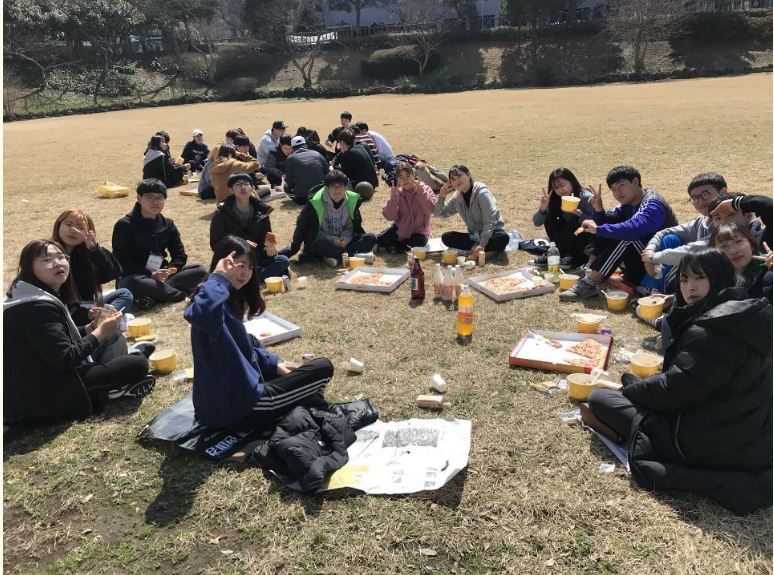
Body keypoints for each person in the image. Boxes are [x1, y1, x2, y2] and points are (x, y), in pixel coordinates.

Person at [588, 248, 772, 514]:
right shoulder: (746, 313)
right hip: (749, 436)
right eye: (684, 279)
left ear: (720, 277)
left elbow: (677, 391)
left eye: (699, 278)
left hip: (710, 442)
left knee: (600, 397)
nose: (690, 287)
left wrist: (632, 391)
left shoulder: (712, 329)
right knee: (636, 386)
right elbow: (696, 379)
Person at [185, 235, 334, 429]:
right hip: (240, 409)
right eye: (240, 265)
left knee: (251, 340)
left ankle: (280, 377)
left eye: (250, 267)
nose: (245, 273)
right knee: (323, 367)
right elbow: (199, 314)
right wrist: (218, 277)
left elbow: (242, 346)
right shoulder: (210, 301)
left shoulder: (221, 297)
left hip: (218, 405)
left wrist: (274, 366)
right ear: (222, 265)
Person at [4, 240, 156, 424]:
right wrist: (99, 333)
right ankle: (112, 384)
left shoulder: (32, 293)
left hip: (46, 376)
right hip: (44, 395)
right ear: (29, 268)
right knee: (138, 364)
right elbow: (65, 358)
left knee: (113, 335)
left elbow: (57, 340)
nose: (58, 263)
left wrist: (89, 329)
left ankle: (115, 378)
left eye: (61, 257)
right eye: (46, 260)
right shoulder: (35, 307)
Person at [560, 165, 678, 301]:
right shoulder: (627, 204)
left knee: (626, 236)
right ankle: (591, 271)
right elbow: (609, 221)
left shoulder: (652, 204)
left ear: (635, 181)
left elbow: (634, 228)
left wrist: (599, 228)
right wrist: (599, 211)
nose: (617, 192)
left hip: (659, 270)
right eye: (613, 189)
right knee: (609, 226)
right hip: (643, 264)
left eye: (621, 185)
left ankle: (590, 282)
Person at [112, 179, 208, 309]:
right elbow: (121, 262)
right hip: (135, 277)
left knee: (200, 270)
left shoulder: (167, 224)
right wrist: (150, 275)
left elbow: (180, 255)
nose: (155, 202)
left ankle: (154, 295)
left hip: (163, 277)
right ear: (139, 198)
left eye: (159, 198)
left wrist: (169, 271)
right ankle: (180, 294)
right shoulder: (125, 225)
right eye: (149, 197)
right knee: (135, 282)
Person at [641, 172, 727, 293]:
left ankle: (664, 294)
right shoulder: (703, 221)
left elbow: (697, 250)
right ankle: (651, 289)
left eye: (705, 194)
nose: (700, 201)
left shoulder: (730, 221)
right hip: (701, 272)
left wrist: (653, 257)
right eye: (695, 198)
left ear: (723, 192)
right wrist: (650, 250)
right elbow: (664, 233)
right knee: (670, 239)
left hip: (719, 278)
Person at [279, 170, 377, 266]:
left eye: (341, 186)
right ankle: (348, 255)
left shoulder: (351, 201)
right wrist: (332, 239)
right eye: (334, 187)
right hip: (324, 241)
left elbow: (350, 227)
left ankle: (336, 257)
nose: (337, 190)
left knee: (370, 237)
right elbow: (305, 228)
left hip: (343, 242)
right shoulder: (315, 202)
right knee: (318, 245)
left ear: (346, 187)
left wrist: (344, 239)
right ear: (326, 188)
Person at [52, 209, 133, 325]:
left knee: (124, 294)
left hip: (92, 305)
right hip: (67, 308)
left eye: (80, 227)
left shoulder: (89, 252)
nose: (73, 230)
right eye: (69, 224)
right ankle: (102, 322)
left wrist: (95, 250)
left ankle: (102, 320)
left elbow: (114, 273)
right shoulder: (48, 253)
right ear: (58, 225)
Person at [209, 172, 290, 281]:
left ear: (252, 188)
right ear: (231, 189)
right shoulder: (222, 212)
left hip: (256, 257)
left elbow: (266, 238)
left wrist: (270, 248)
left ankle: (249, 276)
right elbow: (215, 244)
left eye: (246, 184)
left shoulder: (262, 210)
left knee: (283, 260)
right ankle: (253, 276)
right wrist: (240, 244)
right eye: (238, 184)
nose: (243, 187)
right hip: (234, 259)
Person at [434, 164, 509, 258]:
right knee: (446, 237)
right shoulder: (457, 197)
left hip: (492, 233)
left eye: (460, 176)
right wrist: (441, 198)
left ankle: (475, 250)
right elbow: (439, 214)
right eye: (453, 179)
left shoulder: (482, 193)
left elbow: (490, 221)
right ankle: (483, 251)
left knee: (503, 238)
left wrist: (482, 244)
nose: (457, 181)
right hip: (475, 237)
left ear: (468, 175)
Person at [532, 167, 594, 271]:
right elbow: (537, 223)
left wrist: (580, 215)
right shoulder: (555, 199)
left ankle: (570, 256)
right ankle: (560, 253)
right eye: (556, 188)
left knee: (575, 220)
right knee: (550, 217)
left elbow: (598, 224)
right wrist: (543, 208)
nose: (560, 190)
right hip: (564, 239)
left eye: (562, 185)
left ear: (571, 181)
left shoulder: (586, 198)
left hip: (583, 241)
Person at [377, 162, 436, 253]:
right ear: (397, 179)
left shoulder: (425, 189)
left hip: (419, 233)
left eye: (408, 176)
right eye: (401, 177)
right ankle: (395, 246)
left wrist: (420, 191)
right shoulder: (397, 192)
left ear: (413, 176)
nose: (405, 180)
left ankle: (396, 247)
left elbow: (430, 210)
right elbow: (390, 216)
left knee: (417, 243)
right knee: (380, 240)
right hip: (399, 231)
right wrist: (393, 198)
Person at [710, 223, 772, 302]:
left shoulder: (768, 273)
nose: (733, 251)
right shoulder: (711, 281)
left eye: (738, 241)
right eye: (723, 246)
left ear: (752, 245)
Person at [332, 128, 379, 200]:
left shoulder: (349, 154)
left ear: (342, 142)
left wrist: (333, 169)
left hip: (362, 187)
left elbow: (344, 175)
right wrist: (332, 164)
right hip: (372, 184)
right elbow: (339, 155)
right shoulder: (360, 146)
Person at [284, 135, 328, 205]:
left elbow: (289, 180)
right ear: (305, 145)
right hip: (321, 194)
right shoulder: (317, 154)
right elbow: (327, 172)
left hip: (302, 198)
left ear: (292, 148)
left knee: (286, 186)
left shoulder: (290, 159)